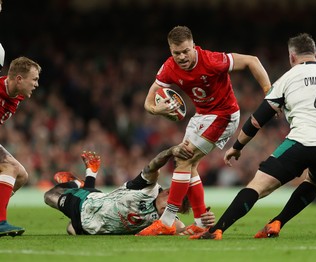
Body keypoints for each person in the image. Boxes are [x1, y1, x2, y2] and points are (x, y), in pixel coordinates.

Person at [190, 33, 316, 240]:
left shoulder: (288, 77)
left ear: (292, 57)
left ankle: (216, 230)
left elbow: (258, 120)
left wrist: (237, 146)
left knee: (257, 187)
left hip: (301, 143)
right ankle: (278, 222)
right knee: (313, 183)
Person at [138, 25, 271, 236]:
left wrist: (268, 92)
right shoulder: (170, 66)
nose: (181, 57)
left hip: (224, 115)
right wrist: (156, 109)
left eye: (185, 51)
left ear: (193, 46)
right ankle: (201, 221)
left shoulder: (211, 60)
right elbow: (148, 100)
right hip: (201, 115)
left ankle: (167, 220)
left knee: (184, 159)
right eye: (176, 52)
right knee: (189, 167)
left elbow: (251, 60)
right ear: (170, 50)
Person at [44, 142, 216, 235]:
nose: (167, 209)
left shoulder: (167, 220)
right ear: (167, 193)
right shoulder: (147, 187)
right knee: (49, 196)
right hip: (87, 206)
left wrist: (203, 221)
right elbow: (153, 166)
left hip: (92, 226)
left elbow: (186, 231)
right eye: (169, 198)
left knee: (71, 229)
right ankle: (77, 184)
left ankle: (87, 181)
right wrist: (171, 151)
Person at [0, 56, 41, 237]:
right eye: (34, 79)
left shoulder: (17, 95)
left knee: (22, 176)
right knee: (11, 168)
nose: (36, 84)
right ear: (18, 79)